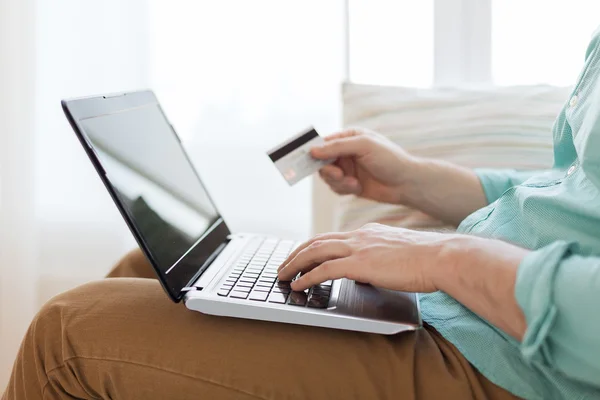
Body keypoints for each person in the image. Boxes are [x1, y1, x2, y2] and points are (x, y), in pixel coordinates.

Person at [4, 30, 600, 400]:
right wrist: (412, 179)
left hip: (520, 366)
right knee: (155, 266)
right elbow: (570, 190)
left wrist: (441, 255)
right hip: (474, 314)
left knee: (66, 337)